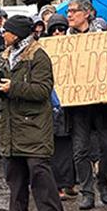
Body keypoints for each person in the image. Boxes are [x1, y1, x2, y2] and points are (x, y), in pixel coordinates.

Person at [0, 15, 64, 211]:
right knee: (15, 185)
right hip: (10, 131)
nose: (3, 34)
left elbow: (42, 91)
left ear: (16, 34)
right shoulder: (3, 57)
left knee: (42, 181)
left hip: (34, 130)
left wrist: (13, 87)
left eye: (6, 31)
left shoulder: (38, 56)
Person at [64, 0, 107, 209]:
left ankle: (103, 181)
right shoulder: (62, 41)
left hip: (105, 104)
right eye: (68, 11)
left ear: (87, 13)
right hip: (78, 106)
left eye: (74, 11)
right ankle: (87, 192)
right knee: (80, 151)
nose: (69, 15)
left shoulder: (104, 37)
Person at [45, 14, 76, 200]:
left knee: (69, 148)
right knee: (55, 150)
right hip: (52, 105)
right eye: (54, 30)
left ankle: (69, 182)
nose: (58, 33)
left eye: (61, 29)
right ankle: (57, 185)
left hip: (70, 106)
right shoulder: (44, 50)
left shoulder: (74, 48)